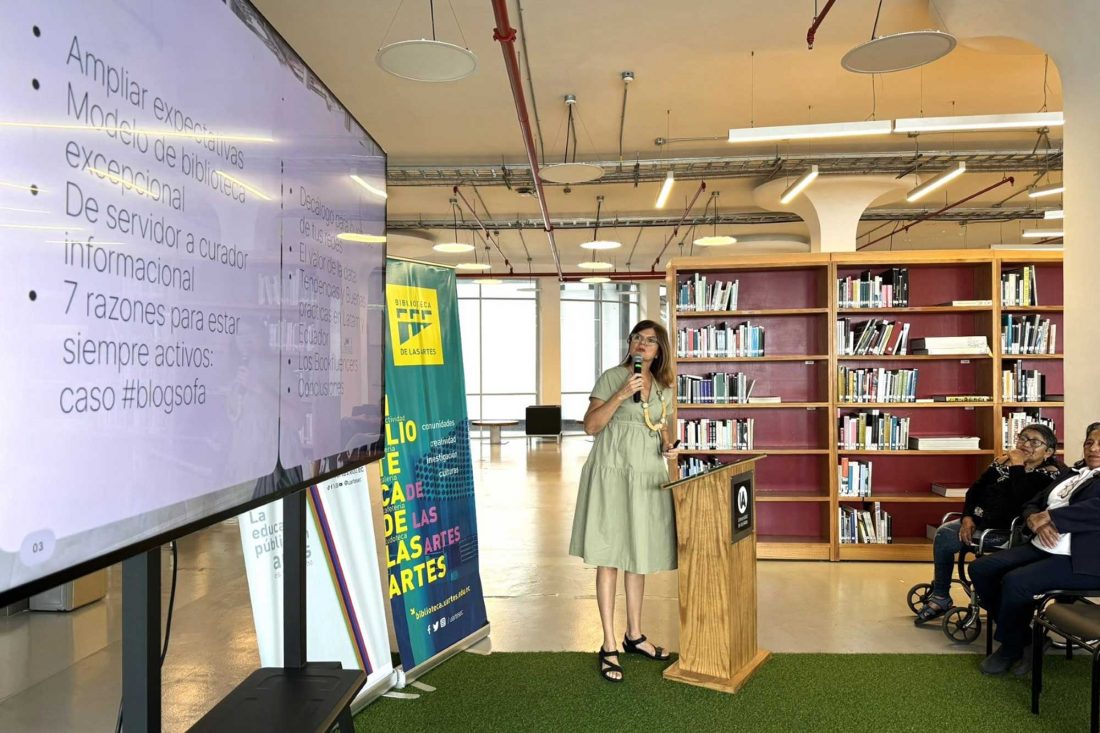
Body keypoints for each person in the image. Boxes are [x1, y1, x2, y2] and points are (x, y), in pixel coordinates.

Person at [569, 320, 679, 682]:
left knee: (638, 555)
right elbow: (590, 426)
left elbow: (662, 430)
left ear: (659, 350)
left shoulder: (663, 387)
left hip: (646, 478)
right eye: (637, 338)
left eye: (650, 341)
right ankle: (609, 643)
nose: (642, 344)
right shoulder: (612, 377)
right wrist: (620, 394)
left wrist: (669, 447)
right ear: (630, 344)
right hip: (612, 474)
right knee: (609, 556)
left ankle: (635, 635)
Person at [970, 421, 1100, 675]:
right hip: (1044, 545)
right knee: (981, 568)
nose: (1093, 448)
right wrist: (1032, 518)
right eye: (1089, 443)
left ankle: (1010, 648)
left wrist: (1051, 517)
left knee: (1016, 581)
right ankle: (1026, 639)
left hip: (1082, 559)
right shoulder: (1073, 472)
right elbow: (1033, 501)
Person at [914, 424, 1066, 625]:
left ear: (1048, 452)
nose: (1026, 444)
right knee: (944, 533)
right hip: (979, 521)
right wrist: (967, 517)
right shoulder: (1001, 463)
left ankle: (978, 600)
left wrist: (1017, 466)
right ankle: (941, 595)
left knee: (946, 535)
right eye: (1023, 438)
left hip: (1008, 530)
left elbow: (1022, 501)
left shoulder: (1049, 475)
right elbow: (974, 491)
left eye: (1035, 442)